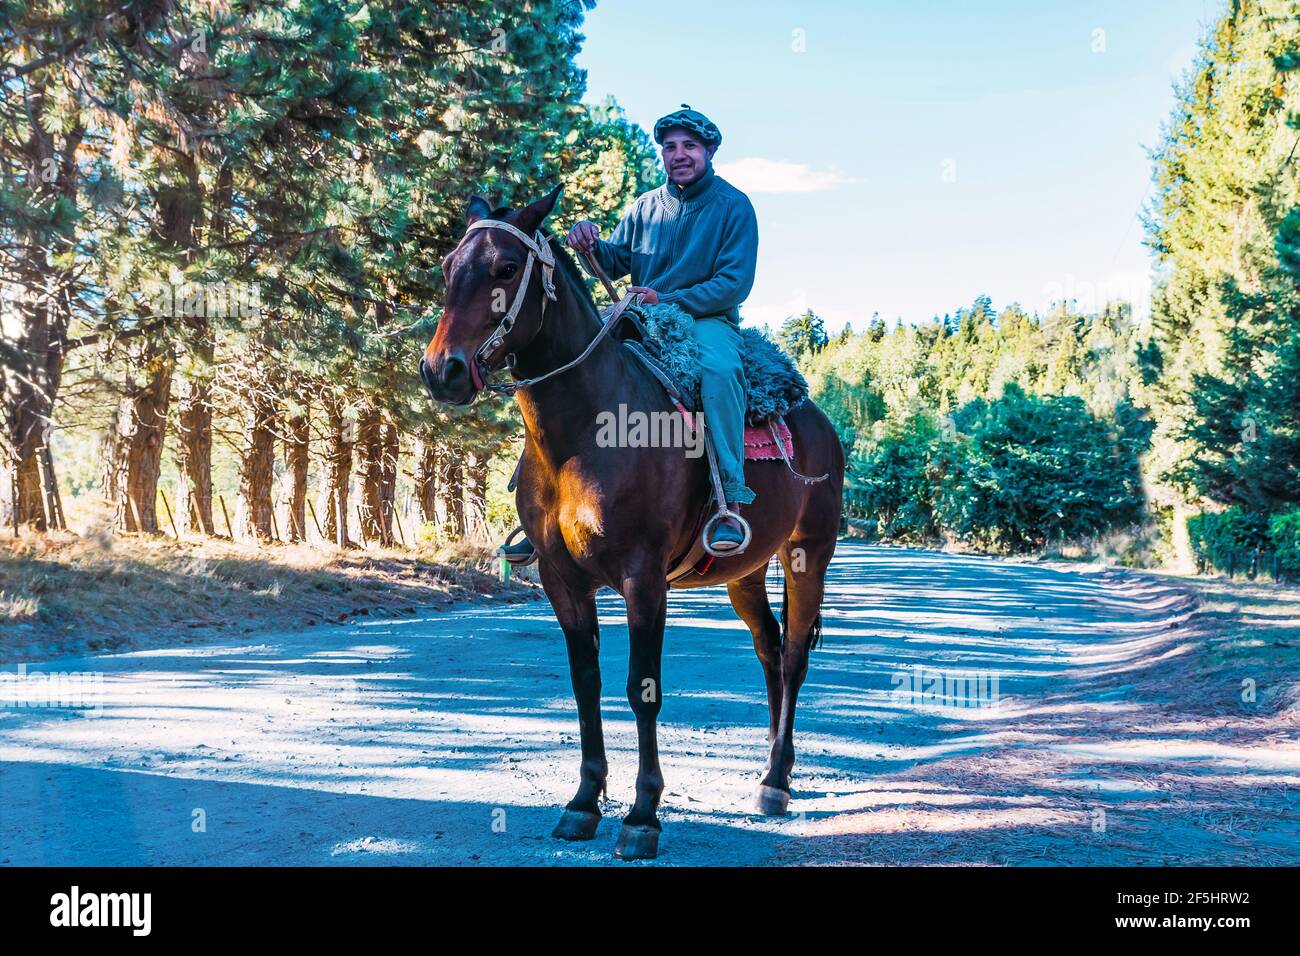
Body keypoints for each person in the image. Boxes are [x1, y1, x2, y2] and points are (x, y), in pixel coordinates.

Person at [499, 104, 759, 563]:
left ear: (710, 150)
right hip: (636, 314)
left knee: (719, 374)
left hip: (706, 320)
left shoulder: (734, 207)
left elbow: (733, 282)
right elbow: (614, 258)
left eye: (689, 147)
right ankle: (539, 509)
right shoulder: (644, 207)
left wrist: (669, 299)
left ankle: (727, 502)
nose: (678, 155)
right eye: (670, 147)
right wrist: (588, 242)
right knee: (565, 370)